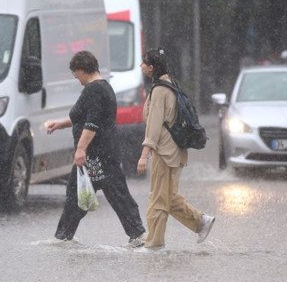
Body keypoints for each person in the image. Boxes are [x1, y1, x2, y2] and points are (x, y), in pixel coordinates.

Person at [47, 51, 147, 247]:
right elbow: (83, 117)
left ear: (83, 70)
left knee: (114, 193)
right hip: (99, 154)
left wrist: (80, 150)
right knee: (81, 195)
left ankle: (138, 234)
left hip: (96, 155)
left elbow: (92, 123)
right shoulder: (104, 87)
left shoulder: (94, 89)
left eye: (76, 74)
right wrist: (61, 124)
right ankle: (64, 237)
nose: (77, 78)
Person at [136, 47, 215, 249]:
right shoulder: (170, 84)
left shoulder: (160, 90)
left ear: (151, 67)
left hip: (165, 151)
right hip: (175, 150)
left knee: (158, 200)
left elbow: (153, 126)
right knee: (168, 198)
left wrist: (144, 155)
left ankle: (155, 244)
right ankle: (201, 221)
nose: (141, 66)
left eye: (144, 63)